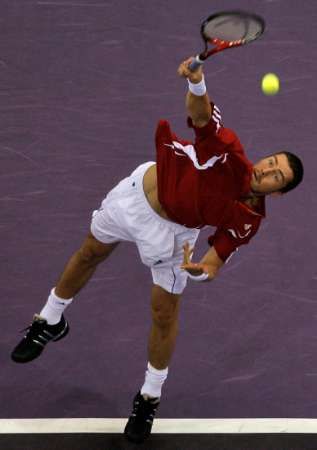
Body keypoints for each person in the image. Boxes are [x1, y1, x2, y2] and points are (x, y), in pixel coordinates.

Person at [11, 57, 304, 444]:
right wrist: (197, 84)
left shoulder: (247, 218)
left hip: (173, 238)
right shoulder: (229, 152)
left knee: (164, 313)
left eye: (275, 176)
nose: (265, 171)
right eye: (270, 162)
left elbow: (214, 261)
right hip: (134, 198)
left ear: (278, 192)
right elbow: (202, 117)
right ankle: (50, 320)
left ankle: (149, 396)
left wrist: (200, 270)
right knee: (90, 253)